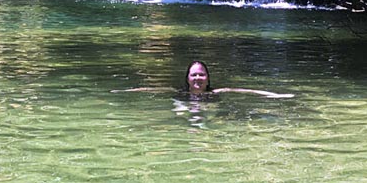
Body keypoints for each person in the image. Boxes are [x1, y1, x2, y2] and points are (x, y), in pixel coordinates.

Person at [112, 61, 294, 99]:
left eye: (201, 74)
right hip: (184, 106)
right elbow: (151, 90)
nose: (198, 78)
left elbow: (245, 91)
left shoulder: (215, 93)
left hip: (207, 108)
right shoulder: (179, 93)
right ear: (187, 79)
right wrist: (125, 91)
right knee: (185, 111)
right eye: (194, 75)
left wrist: (274, 95)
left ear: (208, 78)